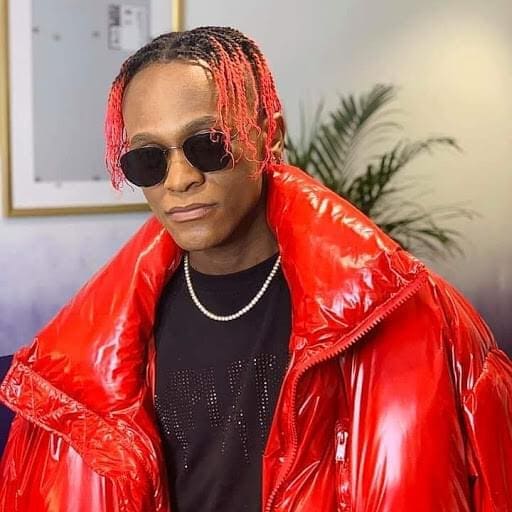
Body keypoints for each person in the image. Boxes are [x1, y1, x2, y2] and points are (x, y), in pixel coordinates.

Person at [0, 26, 511, 512]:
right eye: (148, 160)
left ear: (270, 137)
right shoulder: (77, 364)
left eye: (209, 144)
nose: (179, 179)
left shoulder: (422, 320)